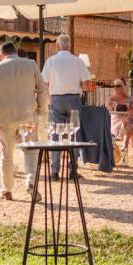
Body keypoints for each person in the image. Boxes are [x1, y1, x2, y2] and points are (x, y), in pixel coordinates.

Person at [0, 41, 46, 199]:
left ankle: (6, 190)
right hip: (28, 116)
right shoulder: (31, 65)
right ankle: (31, 182)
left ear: (1, 55)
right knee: (31, 151)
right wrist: (40, 109)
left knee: (6, 154)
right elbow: (42, 89)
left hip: (5, 118)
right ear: (16, 52)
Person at [41, 34, 91, 176]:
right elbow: (86, 83)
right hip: (74, 99)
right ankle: (72, 170)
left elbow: (45, 83)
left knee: (55, 134)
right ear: (69, 46)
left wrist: (50, 98)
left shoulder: (51, 61)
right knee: (74, 133)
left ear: (57, 46)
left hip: (57, 99)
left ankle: (55, 171)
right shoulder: (78, 61)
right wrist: (79, 87)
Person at [105, 80, 133, 164]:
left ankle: (125, 146)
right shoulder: (111, 99)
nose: (116, 87)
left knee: (129, 125)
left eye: (118, 85)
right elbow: (108, 111)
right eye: (114, 86)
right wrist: (110, 106)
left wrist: (130, 112)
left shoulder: (130, 98)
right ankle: (131, 152)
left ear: (123, 87)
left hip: (128, 118)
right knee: (131, 130)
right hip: (116, 119)